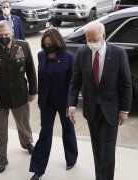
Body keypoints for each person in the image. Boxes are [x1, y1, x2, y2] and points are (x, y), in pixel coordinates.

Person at [68, 21, 132, 180]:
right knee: (97, 148)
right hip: (92, 109)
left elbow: (126, 84)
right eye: (88, 40)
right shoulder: (83, 52)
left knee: (108, 150)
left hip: (111, 110)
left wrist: (124, 110)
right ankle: (99, 177)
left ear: (103, 36)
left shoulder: (118, 53)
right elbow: (75, 81)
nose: (91, 43)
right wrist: (71, 104)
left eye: (94, 39)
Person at [0, 20, 37, 173]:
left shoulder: (23, 46)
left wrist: (33, 90)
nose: (4, 37)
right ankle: (2, 157)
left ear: (12, 32)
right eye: (0, 35)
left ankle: (27, 143)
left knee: (23, 123)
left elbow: (30, 69)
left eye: (6, 34)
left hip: (20, 94)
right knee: (0, 130)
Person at [29, 29, 78, 180]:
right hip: (47, 101)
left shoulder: (69, 57)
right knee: (45, 133)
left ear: (57, 42)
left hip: (64, 102)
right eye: (45, 44)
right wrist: (40, 99)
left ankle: (71, 159)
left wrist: (71, 105)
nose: (48, 46)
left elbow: (73, 83)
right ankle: (38, 170)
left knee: (68, 129)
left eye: (50, 44)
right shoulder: (41, 55)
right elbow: (41, 78)